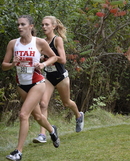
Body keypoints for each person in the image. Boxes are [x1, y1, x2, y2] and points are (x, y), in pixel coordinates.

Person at [2, 15, 60, 161]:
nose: (19, 27)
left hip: (37, 83)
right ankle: (52, 131)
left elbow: (54, 57)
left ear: (31, 26)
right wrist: (13, 64)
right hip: (21, 84)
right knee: (38, 116)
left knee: (23, 115)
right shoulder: (13, 44)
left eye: (23, 24)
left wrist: (43, 64)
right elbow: (3, 66)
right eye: (18, 25)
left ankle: (18, 152)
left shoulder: (39, 42)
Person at [32, 16, 84, 144]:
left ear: (53, 26)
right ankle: (42, 134)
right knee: (43, 103)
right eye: (42, 25)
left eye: (47, 25)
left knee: (66, 103)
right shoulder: (42, 42)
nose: (44, 27)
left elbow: (63, 59)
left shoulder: (57, 40)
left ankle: (79, 115)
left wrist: (50, 57)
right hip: (48, 77)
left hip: (61, 77)